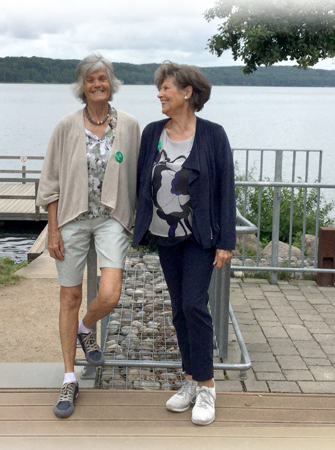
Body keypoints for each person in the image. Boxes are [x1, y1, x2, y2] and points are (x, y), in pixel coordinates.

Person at [36, 54, 140, 419]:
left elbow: (140, 174)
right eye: (90, 80)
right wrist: (53, 229)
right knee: (70, 296)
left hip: (112, 217)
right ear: (82, 86)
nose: (97, 84)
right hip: (72, 218)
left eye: (103, 78)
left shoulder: (128, 125)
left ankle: (86, 328)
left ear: (112, 83)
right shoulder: (66, 126)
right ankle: (69, 378)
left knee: (109, 293)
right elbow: (49, 181)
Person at [133, 61, 236, 426]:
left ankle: (207, 386)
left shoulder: (213, 134)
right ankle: (190, 380)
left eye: (166, 88)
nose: (160, 94)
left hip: (200, 236)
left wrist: (226, 241)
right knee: (178, 309)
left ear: (187, 92)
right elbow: (140, 181)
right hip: (164, 236)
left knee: (195, 305)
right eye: (159, 89)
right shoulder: (151, 133)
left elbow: (226, 189)